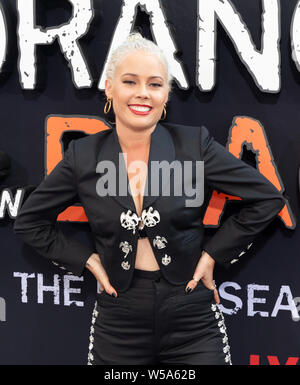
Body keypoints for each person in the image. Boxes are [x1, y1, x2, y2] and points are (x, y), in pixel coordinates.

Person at [13, 32, 285, 365]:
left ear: (165, 96)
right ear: (110, 88)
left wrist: (214, 254)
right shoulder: (82, 156)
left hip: (191, 315)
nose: (143, 93)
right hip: (119, 316)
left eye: (155, 84)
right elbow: (29, 221)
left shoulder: (193, 146)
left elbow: (267, 198)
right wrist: (87, 260)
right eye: (130, 81)